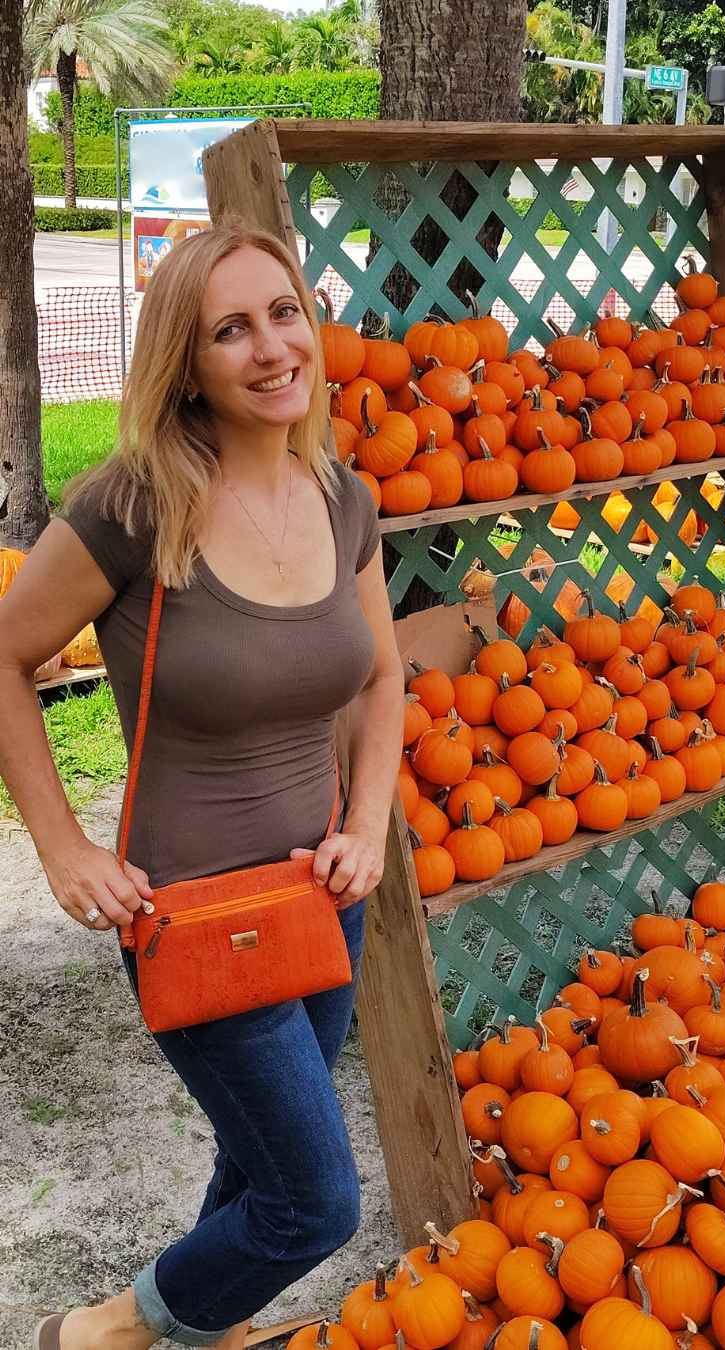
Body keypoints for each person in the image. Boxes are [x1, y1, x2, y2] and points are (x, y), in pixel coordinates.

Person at [0, 220, 404, 1349]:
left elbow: (381, 679)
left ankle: (204, 1330)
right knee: (314, 1203)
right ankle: (103, 1334)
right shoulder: (135, 504)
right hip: (190, 912)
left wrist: (367, 826)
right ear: (187, 360)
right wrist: (63, 849)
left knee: (260, 1152)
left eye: (285, 313)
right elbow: (4, 654)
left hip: (323, 895)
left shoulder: (340, 498)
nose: (273, 348)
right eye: (231, 329)